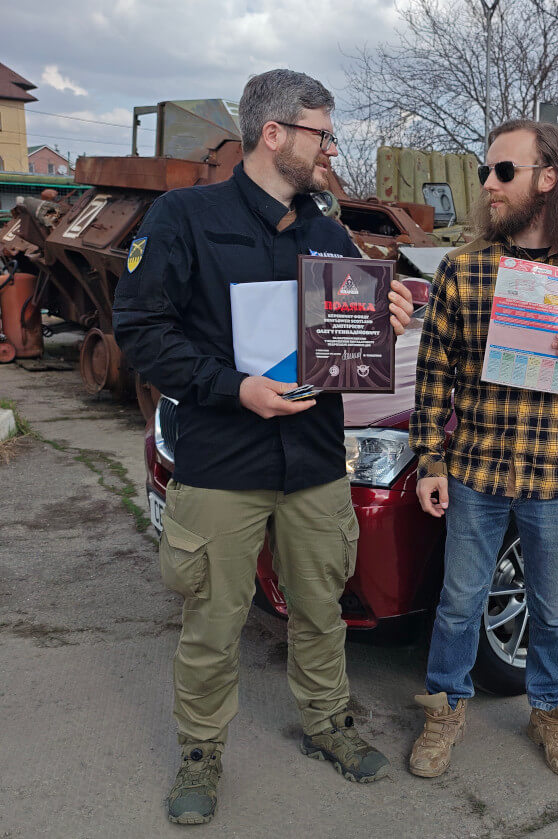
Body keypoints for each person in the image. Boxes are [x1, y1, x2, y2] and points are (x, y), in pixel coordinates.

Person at [113, 69, 413, 825]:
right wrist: (234, 386)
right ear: (274, 133)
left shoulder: (326, 228)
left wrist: (389, 313)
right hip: (224, 461)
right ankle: (201, 750)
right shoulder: (185, 217)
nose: (331, 149)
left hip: (314, 460)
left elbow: (343, 339)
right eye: (322, 133)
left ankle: (329, 724)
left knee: (320, 605)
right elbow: (142, 334)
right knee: (214, 617)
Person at [407, 119, 558, 778]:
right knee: (458, 603)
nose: (488, 183)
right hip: (477, 471)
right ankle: (445, 709)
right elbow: (433, 377)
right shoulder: (464, 268)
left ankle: (551, 711)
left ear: (547, 179)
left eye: (503, 171)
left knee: (554, 607)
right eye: (486, 171)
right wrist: (430, 460)